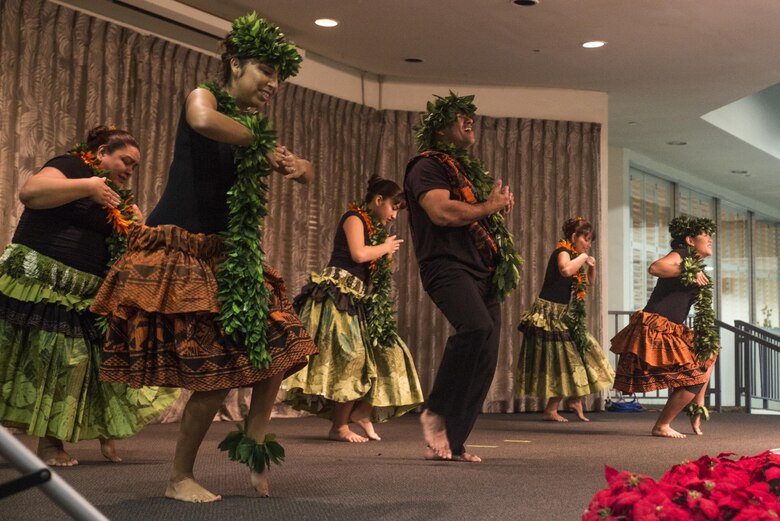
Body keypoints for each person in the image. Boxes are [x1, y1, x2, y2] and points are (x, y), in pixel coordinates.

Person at [90, 14, 317, 502]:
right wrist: (264, 144)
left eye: (281, 76)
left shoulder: (252, 127)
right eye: (266, 71)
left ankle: (253, 448)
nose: (274, 83)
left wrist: (298, 167)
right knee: (214, 377)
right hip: (181, 252)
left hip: (229, 255)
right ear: (234, 64)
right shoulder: (206, 96)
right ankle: (179, 477)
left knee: (280, 349)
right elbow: (200, 121)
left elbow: (306, 170)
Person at [0, 125, 177, 467]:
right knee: (34, 357)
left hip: (82, 292)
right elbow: (30, 192)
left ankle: (93, 434)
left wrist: (134, 225)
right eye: (125, 160)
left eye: (134, 166)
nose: (129, 169)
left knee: (74, 364)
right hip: (40, 281)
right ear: (100, 155)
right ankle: (50, 446)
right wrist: (89, 186)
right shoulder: (73, 167)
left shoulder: (116, 199)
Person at [403, 92, 522, 462]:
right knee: (474, 328)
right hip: (446, 265)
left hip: (482, 271)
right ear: (440, 127)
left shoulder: (465, 169)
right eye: (459, 117)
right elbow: (440, 212)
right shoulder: (426, 166)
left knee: (486, 352)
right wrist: (488, 206)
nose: (469, 120)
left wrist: (492, 208)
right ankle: (434, 410)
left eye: (471, 116)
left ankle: (453, 443)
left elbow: (475, 215)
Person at [283, 175, 424, 442]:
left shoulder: (377, 230)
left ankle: (362, 412)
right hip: (336, 297)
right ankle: (339, 427)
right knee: (351, 357)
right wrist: (384, 247)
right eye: (393, 207)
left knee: (391, 352)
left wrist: (387, 256)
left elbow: (378, 270)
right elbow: (359, 254)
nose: (394, 215)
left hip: (358, 300)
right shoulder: (354, 218)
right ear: (378, 200)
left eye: (398, 210)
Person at [611, 215, 719, 439]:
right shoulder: (681, 255)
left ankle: (694, 408)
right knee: (695, 373)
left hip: (672, 328)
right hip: (656, 328)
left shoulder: (695, 263)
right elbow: (655, 267)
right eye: (705, 236)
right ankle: (662, 425)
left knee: (709, 354)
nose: (710, 240)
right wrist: (687, 270)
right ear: (690, 240)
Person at [516, 217, 614, 422]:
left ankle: (573, 399)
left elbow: (588, 281)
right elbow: (565, 269)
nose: (588, 244)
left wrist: (591, 266)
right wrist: (584, 256)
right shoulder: (563, 252)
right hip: (548, 314)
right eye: (586, 239)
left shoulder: (576, 256)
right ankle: (554, 408)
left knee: (582, 352)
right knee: (561, 361)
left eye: (590, 241)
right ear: (573, 237)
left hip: (563, 314)